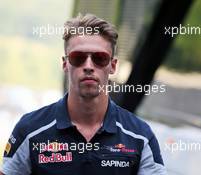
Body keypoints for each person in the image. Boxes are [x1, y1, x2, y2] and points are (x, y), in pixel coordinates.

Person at [0, 13, 166, 175]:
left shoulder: (141, 136)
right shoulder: (30, 129)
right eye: (78, 57)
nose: (88, 66)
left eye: (99, 58)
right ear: (65, 64)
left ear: (113, 66)